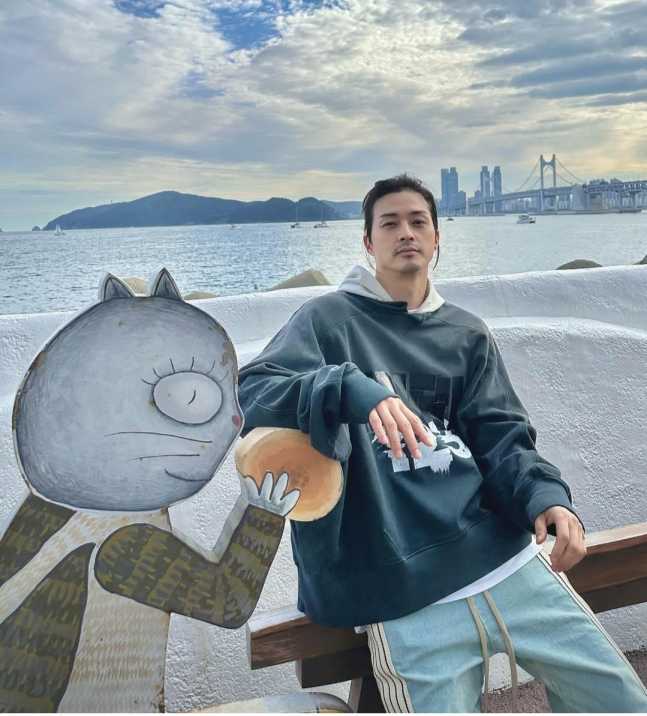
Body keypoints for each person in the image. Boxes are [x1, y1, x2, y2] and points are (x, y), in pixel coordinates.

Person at [238, 174, 647, 712]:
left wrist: (545, 497)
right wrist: (350, 389)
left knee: (620, 699)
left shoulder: (465, 332)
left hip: (502, 556)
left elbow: (502, 436)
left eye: (418, 222)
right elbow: (254, 390)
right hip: (399, 587)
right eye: (389, 223)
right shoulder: (327, 320)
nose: (405, 232)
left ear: (436, 239)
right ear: (368, 243)